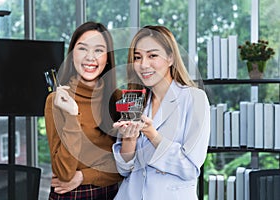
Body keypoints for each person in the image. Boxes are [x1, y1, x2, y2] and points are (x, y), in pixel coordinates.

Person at [112, 25, 210, 200]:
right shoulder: (135, 99)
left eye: (152, 55)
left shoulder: (194, 98)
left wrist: (153, 135)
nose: (143, 64)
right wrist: (129, 138)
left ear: (170, 58)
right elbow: (124, 170)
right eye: (137, 57)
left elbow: (189, 169)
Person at [44, 21, 123, 200]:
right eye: (82, 48)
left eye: (98, 50)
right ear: (72, 54)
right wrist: (72, 115)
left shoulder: (117, 99)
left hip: (110, 193)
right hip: (68, 195)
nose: (90, 57)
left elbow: (125, 164)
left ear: (108, 57)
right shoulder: (56, 101)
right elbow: (63, 173)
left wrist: (83, 176)